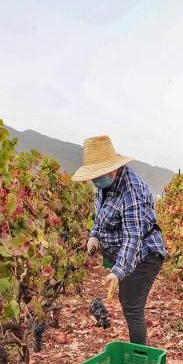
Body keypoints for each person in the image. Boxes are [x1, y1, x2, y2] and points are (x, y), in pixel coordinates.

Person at [71, 135, 167, 345]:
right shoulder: (105, 184)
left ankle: (140, 360)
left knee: (132, 307)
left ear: (112, 168)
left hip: (144, 254)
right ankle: (137, 355)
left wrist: (118, 271)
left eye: (99, 174)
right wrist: (94, 234)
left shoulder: (131, 190)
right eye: (93, 176)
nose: (96, 180)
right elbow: (101, 214)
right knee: (127, 301)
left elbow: (133, 237)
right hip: (127, 253)